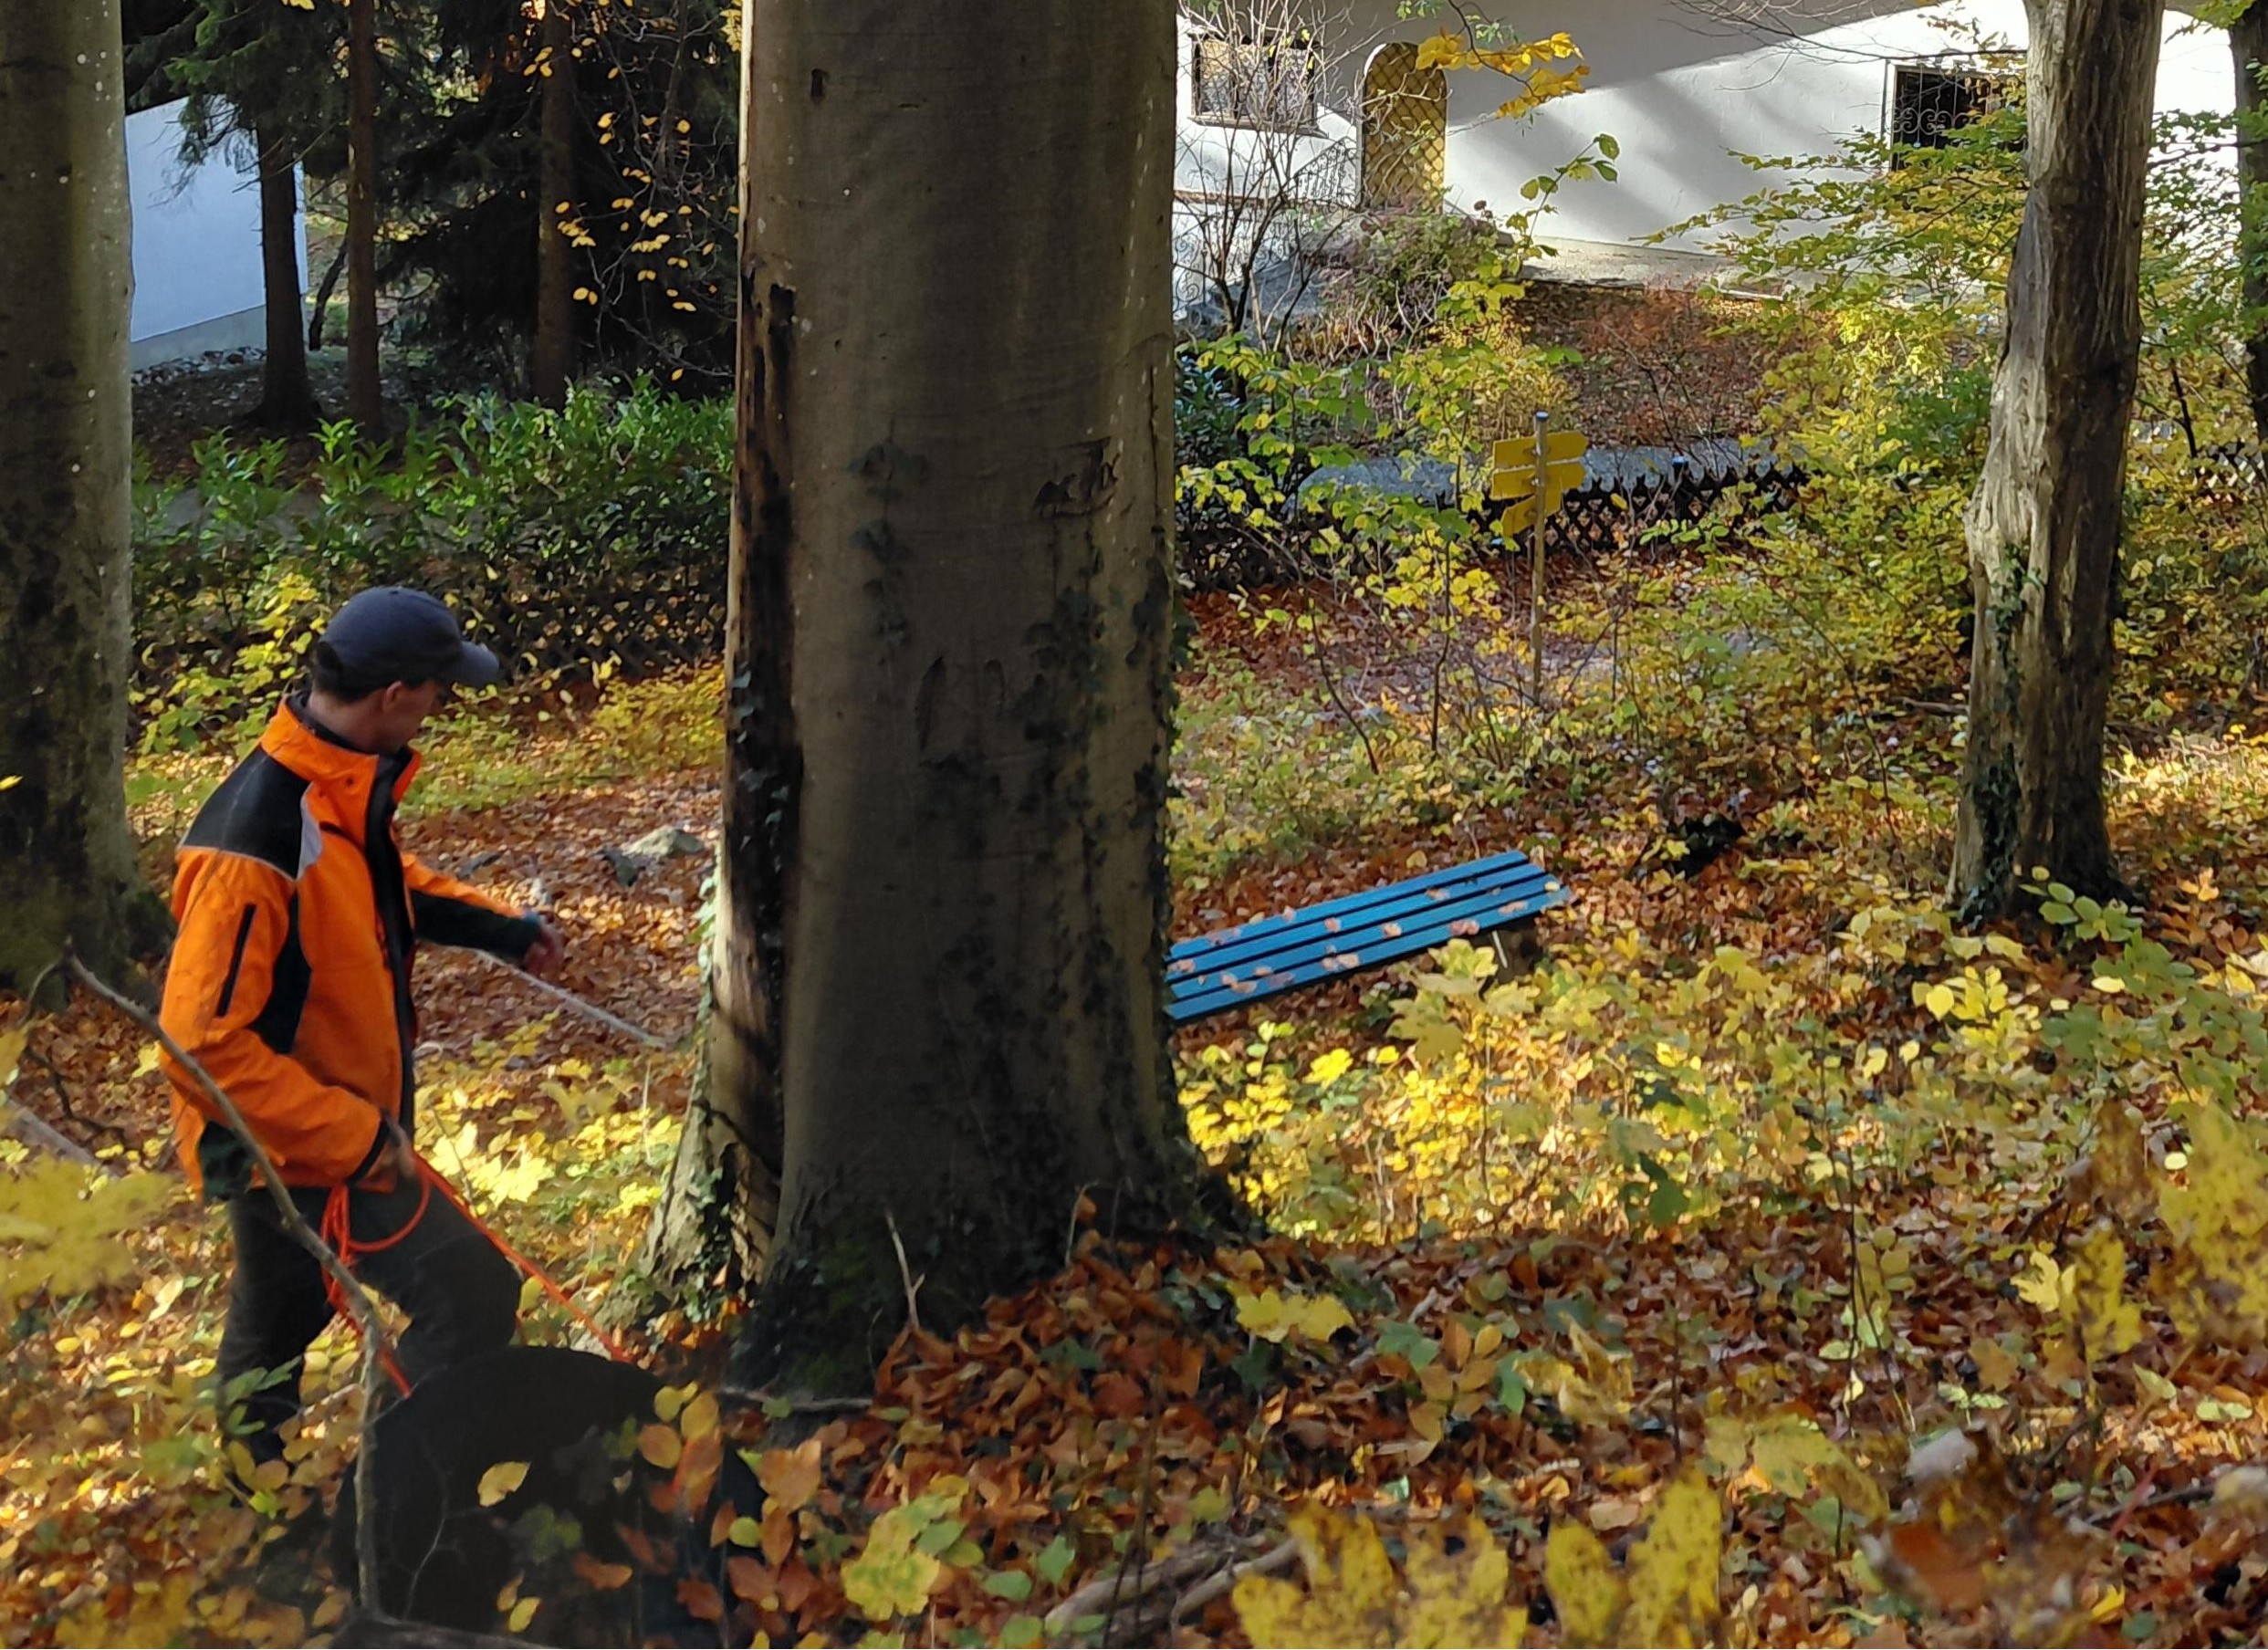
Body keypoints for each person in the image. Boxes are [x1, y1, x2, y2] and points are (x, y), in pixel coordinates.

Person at [159, 587, 567, 1472]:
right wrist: (357, 1139)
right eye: (437, 690)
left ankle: (261, 1505)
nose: (439, 706)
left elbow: (383, 881)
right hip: (292, 1142)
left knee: (280, 1320)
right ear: (394, 694)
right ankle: (390, 1497)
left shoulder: (329, 788)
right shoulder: (256, 836)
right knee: (468, 1290)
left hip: (328, 1129)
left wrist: (503, 927)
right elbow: (199, 1043)